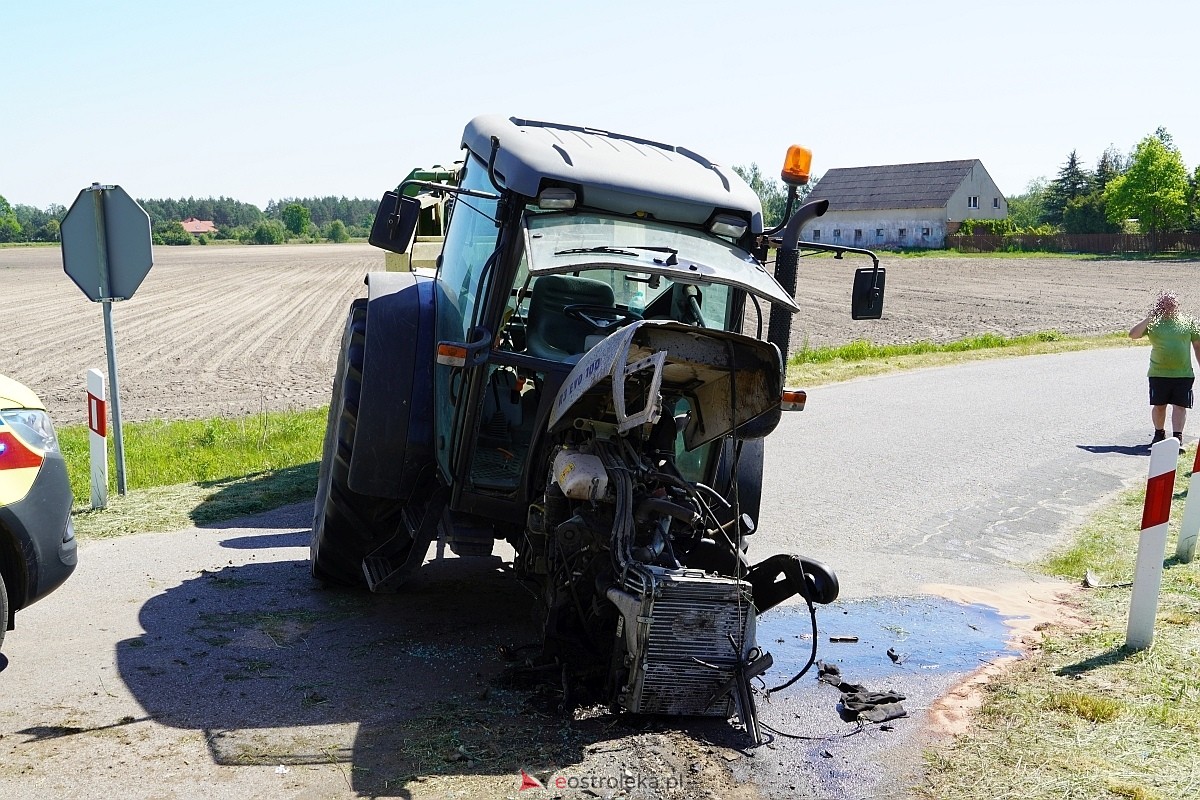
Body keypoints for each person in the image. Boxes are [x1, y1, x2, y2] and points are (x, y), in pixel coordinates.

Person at [1129, 291, 1200, 452]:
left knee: (1180, 406)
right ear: (1159, 305)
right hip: (1158, 373)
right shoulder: (1154, 322)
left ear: (1177, 304)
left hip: (1183, 374)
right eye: (1165, 302)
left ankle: (1177, 438)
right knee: (1159, 406)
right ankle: (1159, 434)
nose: (1168, 305)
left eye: (1171, 302)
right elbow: (1133, 335)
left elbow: (1198, 346)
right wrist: (1150, 317)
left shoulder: (1188, 322)